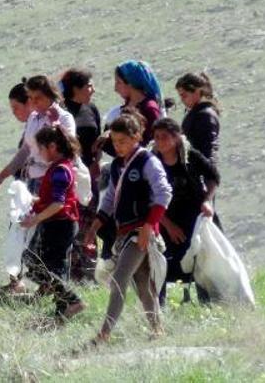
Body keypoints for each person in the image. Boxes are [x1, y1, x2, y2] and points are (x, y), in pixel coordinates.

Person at [85, 113, 172, 344]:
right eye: (114, 142)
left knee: (119, 278)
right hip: (124, 232)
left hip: (140, 232)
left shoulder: (147, 162)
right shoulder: (116, 166)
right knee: (143, 285)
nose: (118, 146)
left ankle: (104, 333)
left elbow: (164, 193)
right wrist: (96, 224)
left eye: (122, 141)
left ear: (136, 137)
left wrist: (149, 226)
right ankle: (158, 330)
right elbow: (111, 197)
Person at [0, 75, 76, 292]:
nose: (34, 103)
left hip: (55, 179)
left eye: (38, 98)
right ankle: (33, 284)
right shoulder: (34, 118)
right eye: (31, 98)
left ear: (49, 95)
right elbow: (26, 150)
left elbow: (70, 150)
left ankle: (59, 293)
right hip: (33, 180)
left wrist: (56, 124)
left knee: (50, 239)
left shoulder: (64, 118)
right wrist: (2, 175)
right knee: (26, 236)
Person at [151, 118, 220, 305]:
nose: (159, 141)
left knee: (199, 261)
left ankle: (207, 305)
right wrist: (168, 225)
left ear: (176, 137)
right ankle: (159, 310)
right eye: (156, 137)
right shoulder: (152, 161)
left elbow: (213, 176)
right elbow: (147, 196)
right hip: (165, 219)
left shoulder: (190, 156)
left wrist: (207, 200)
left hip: (193, 218)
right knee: (162, 263)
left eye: (164, 137)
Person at [20, 126, 86, 320]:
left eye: (41, 148)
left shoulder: (60, 170)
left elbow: (58, 203)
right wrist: (31, 200)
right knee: (55, 268)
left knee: (38, 265)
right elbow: (52, 199)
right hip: (57, 223)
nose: (39, 153)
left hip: (60, 224)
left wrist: (36, 218)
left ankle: (73, 301)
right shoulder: (59, 168)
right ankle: (61, 311)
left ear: (52, 146)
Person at [60, 69, 101, 281]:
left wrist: (96, 163)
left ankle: (90, 275)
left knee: (89, 224)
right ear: (75, 89)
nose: (92, 90)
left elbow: (97, 141)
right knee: (72, 226)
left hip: (90, 177)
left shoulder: (91, 109)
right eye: (88, 86)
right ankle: (72, 277)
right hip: (69, 178)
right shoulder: (63, 112)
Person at [176, 72, 221, 165]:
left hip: (201, 169)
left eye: (184, 95)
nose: (182, 100)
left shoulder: (205, 116)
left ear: (197, 91)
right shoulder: (196, 113)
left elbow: (209, 149)